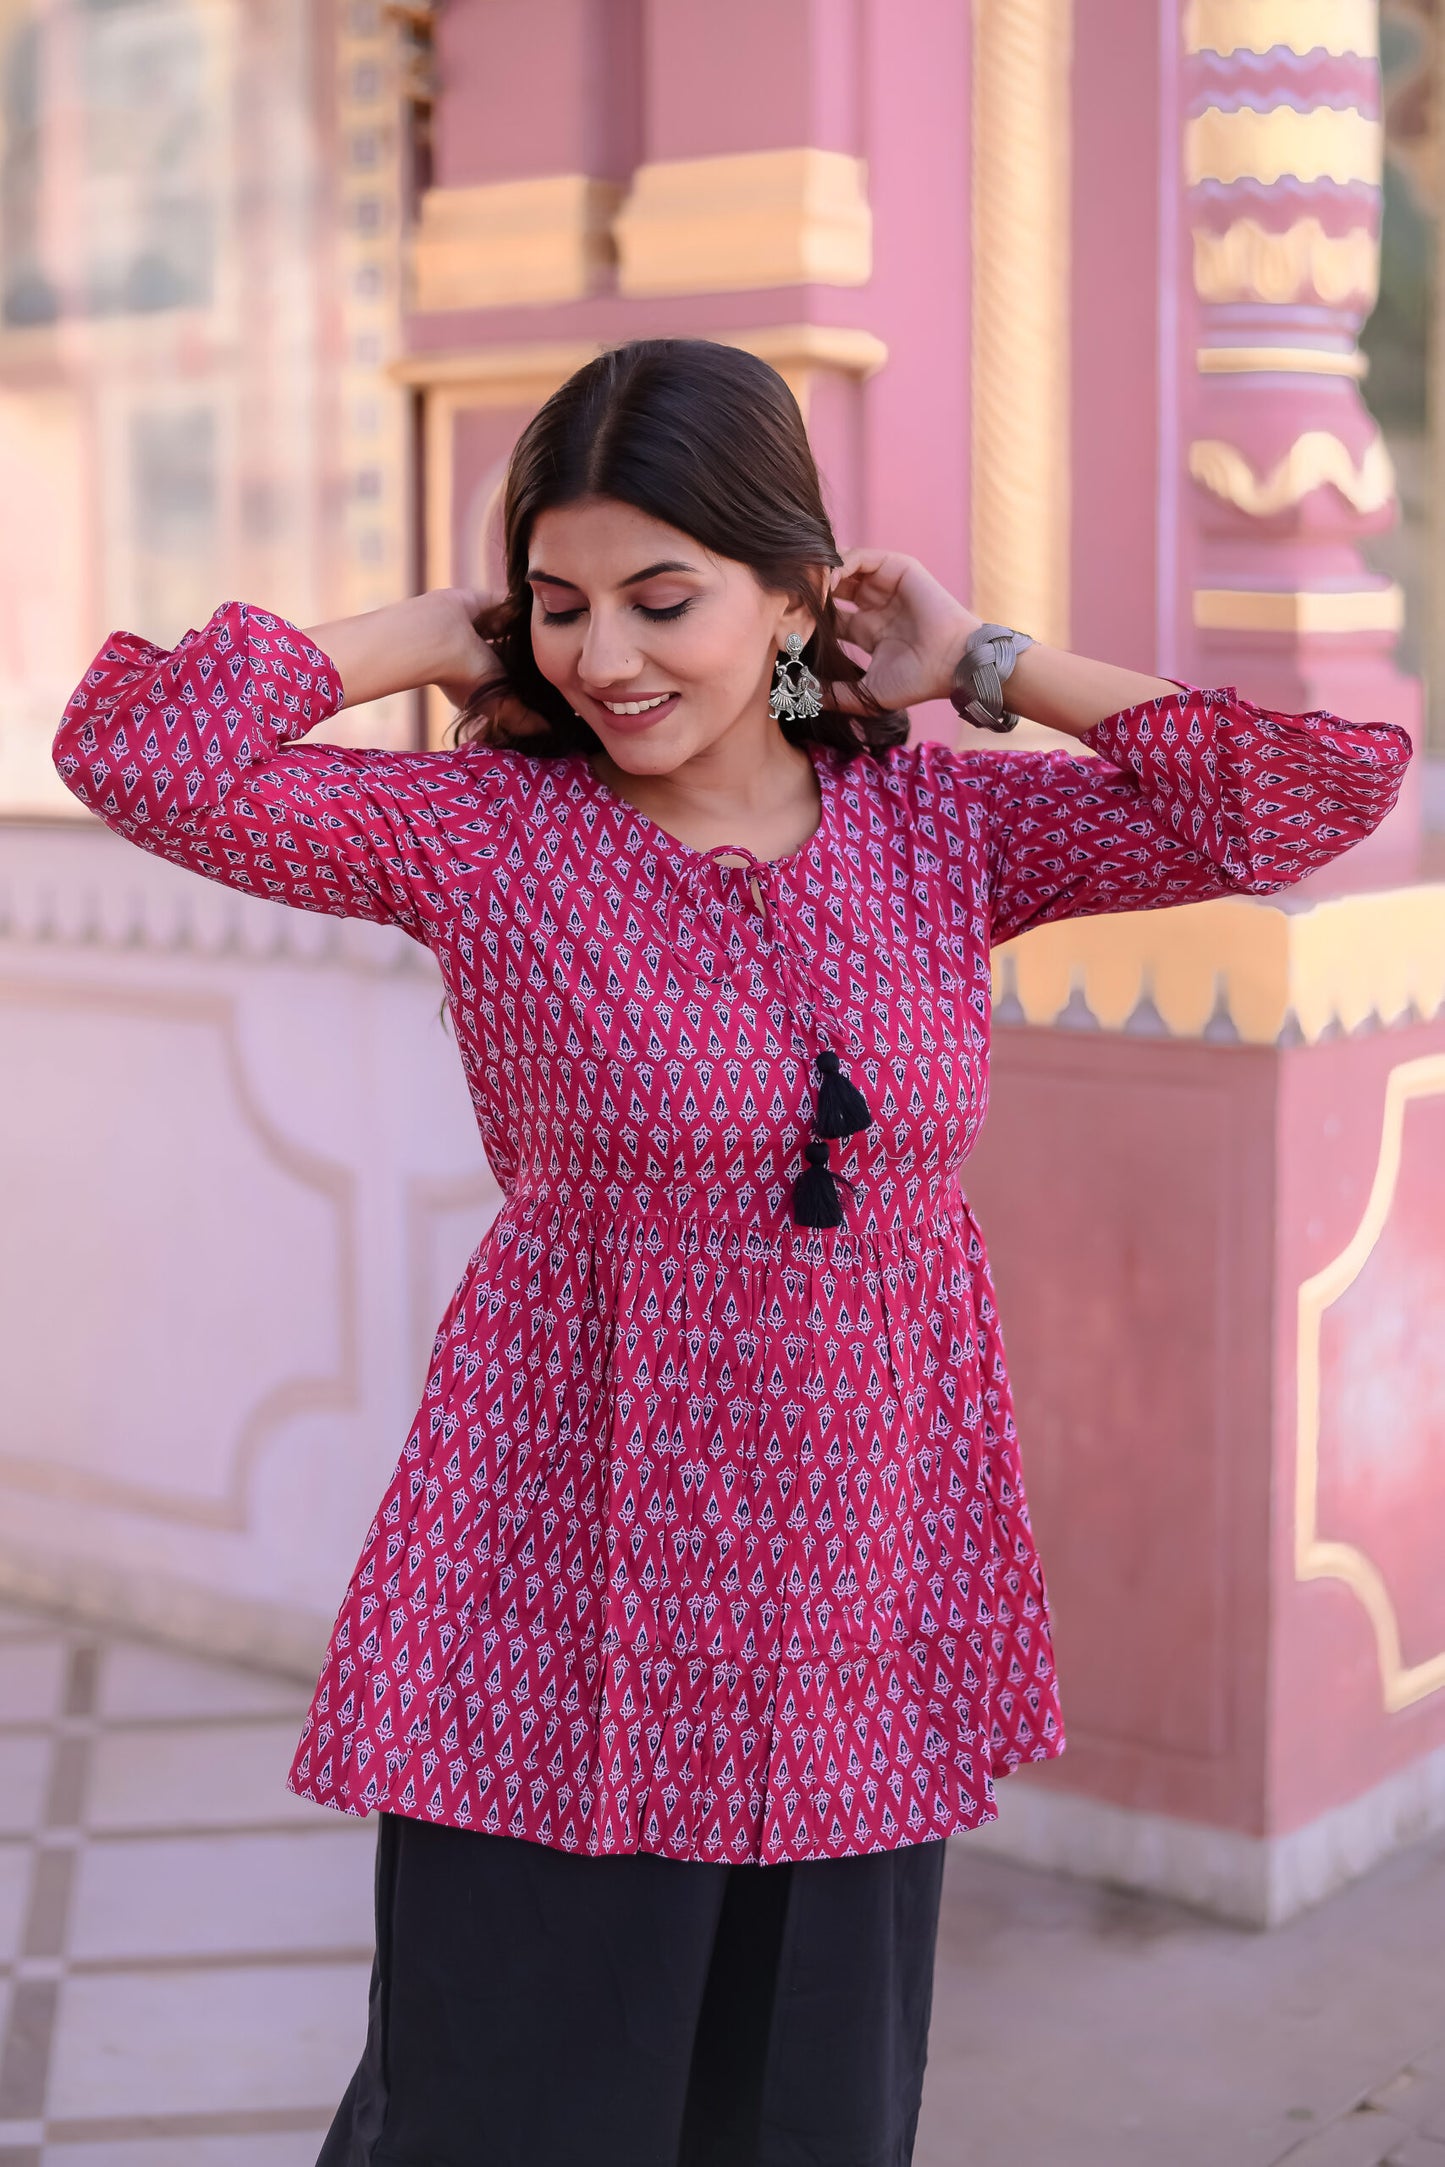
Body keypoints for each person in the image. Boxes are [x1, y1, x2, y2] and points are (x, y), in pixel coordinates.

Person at [53, 338, 1411, 2167]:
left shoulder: (940, 826)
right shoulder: (479, 833)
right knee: (518, 2107)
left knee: (802, 2115)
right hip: (558, 1585)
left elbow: (1304, 798)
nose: (603, 658)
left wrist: (982, 664)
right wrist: (423, 631)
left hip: (852, 1604)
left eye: (662, 598)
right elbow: (134, 751)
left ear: (797, 591)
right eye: (560, 604)